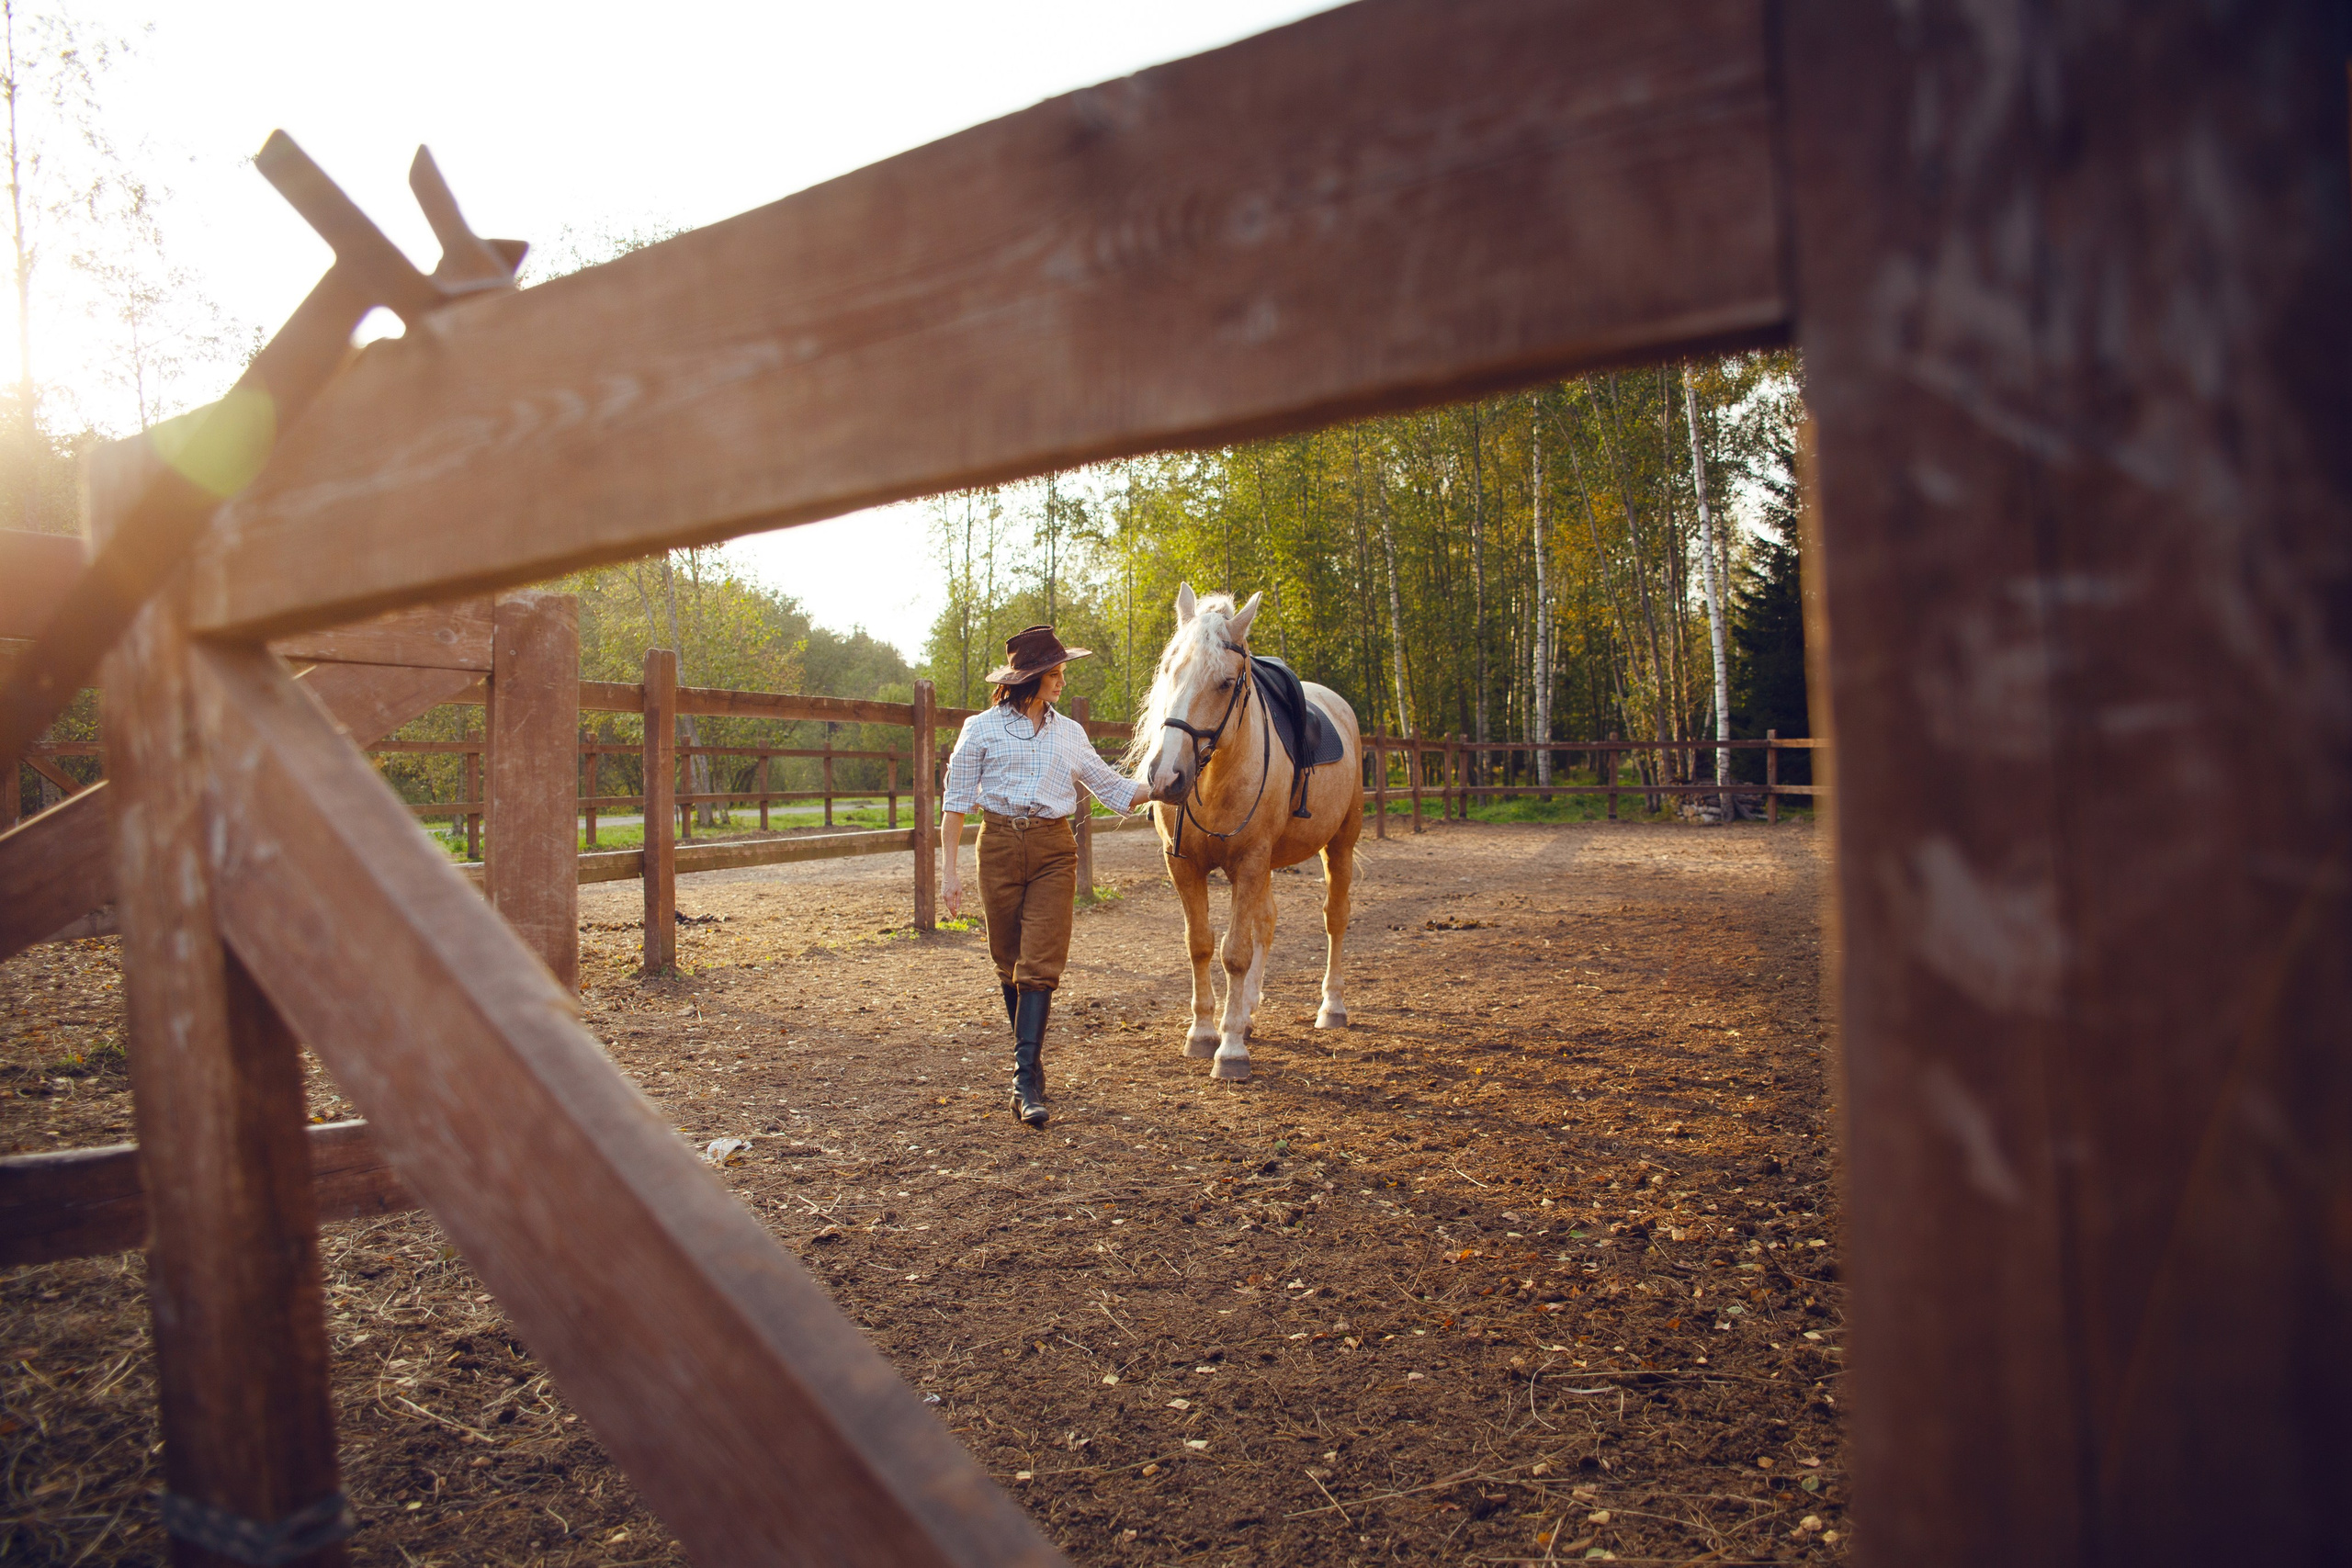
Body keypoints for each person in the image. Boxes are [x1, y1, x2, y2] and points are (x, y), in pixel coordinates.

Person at [940, 625, 1144, 1127]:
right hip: (1000, 846)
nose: (1060, 681)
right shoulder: (980, 728)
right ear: (1027, 679)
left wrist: (1164, 783)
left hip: (1055, 849)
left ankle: (1024, 1080)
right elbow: (955, 804)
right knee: (1008, 961)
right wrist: (948, 874)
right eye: (1054, 673)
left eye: (1061, 671)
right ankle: (1029, 1065)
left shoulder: (1070, 733)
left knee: (1040, 963)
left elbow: (1112, 788)